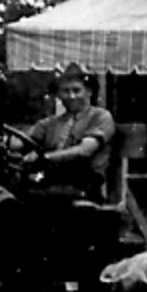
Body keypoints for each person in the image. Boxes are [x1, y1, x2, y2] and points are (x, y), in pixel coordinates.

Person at [22, 63, 116, 202]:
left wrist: (45, 157)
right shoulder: (50, 123)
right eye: (65, 91)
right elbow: (19, 141)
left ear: (89, 92)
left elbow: (84, 150)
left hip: (84, 185)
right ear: (58, 95)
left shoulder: (100, 116)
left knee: (32, 198)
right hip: (52, 181)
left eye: (76, 90)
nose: (71, 96)